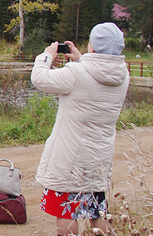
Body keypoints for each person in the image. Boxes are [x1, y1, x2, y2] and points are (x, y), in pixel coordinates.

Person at [31, 23, 129, 236]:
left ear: (92, 47)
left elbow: (39, 78)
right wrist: (83, 57)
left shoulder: (75, 73)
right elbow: (99, 70)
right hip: (99, 158)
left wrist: (47, 55)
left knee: (67, 213)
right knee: (96, 212)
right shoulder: (123, 76)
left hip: (70, 158)